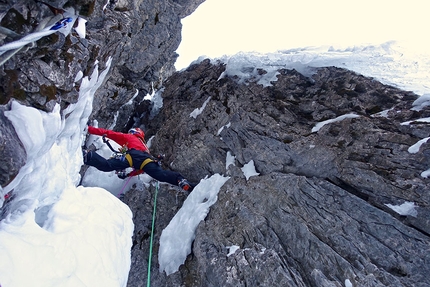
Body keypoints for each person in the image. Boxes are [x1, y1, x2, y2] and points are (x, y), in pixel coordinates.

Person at [83, 126, 195, 191]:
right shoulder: (145, 148)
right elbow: (140, 169)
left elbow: (109, 133)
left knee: (107, 166)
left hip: (132, 156)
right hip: (146, 160)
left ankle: (88, 156)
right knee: (161, 175)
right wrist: (127, 175)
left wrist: (89, 129)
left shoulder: (129, 137)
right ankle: (180, 181)